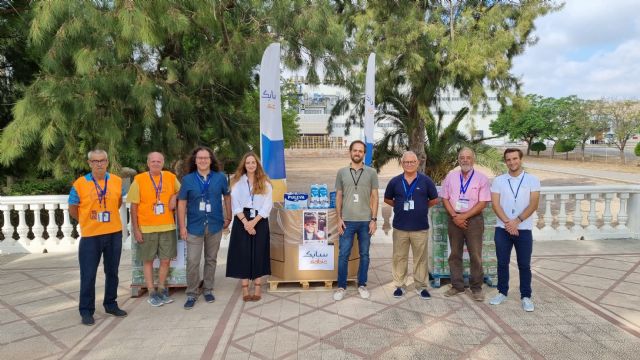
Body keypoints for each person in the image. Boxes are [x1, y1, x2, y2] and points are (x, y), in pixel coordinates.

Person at [68, 149, 128, 326]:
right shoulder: (80, 184)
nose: (99, 164)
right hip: (91, 236)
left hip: (113, 233)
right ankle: (86, 310)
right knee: (88, 274)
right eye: (95, 161)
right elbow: (73, 207)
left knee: (112, 272)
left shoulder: (117, 181)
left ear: (107, 162)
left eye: (102, 160)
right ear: (89, 163)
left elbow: (118, 202)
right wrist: (85, 220)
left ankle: (111, 304)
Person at [177, 146, 232, 310]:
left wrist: (228, 216)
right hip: (194, 226)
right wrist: (182, 226)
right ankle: (192, 293)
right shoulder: (187, 179)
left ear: (211, 160)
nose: (202, 160)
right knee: (192, 261)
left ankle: (208, 289)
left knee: (211, 259)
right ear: (195, 160)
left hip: (215, 224)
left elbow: (227, 197)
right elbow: (181, 203)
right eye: (199, 158)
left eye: (206, 158)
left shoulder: (220, 178)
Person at [126, 152, 181, 307]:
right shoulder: (139, 179)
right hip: (146, 228)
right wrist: (136, 229)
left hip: (167, 226)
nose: (156, 163)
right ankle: (151, 290)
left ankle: (162, 288)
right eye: (153, 161)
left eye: (159, 161)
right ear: (148, 163)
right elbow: (134, 206)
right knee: (148, 260)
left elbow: (182, 191)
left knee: (165, 259)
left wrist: (174, 197)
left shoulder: (170, 177)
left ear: (163, 162)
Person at [489, 148, 540, 312]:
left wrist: (517, 221)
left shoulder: (532, 180)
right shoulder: (498, 181)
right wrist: (508, 223)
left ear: (520, 159)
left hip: (523, 229)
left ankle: (526, 296)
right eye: (508, 159)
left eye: (515, 159)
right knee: (502, 263)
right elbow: (495, 204)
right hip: (502, 228)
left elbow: (533, 204)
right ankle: (502, 292)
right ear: (505, 162)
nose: (512, 162)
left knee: (524, 264)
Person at [383, 151, 439, 300]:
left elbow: (434, 200)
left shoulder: (426, 181)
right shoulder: (395, 182)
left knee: (420, 259)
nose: (409, 164)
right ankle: (400, 285)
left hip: (420, 228)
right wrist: (400, 205)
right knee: (399, 257)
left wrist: (421, 206)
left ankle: (421, 287)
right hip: (400, 227)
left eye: (412, 162)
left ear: (417, 163)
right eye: (406, 162)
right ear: (402, 164)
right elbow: (388, 199)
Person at [441, 147, 491, 301]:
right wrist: (456, 216)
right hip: (454, 218)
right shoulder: (451, 177)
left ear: (473, 160)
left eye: (468, 157)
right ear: (458, 160)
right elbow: (445, 198)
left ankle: (476, 288)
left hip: (474, 220)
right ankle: (457, 286)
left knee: (475, 255)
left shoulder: (482, 178)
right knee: (455, 254)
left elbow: (483, 203)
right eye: (462, 157)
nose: (465, 160)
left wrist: (464, 217)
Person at [333, 140, 379, 301]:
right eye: (355, 150)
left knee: (364, 254)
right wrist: (338, 219)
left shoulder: (371, 173)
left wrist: (374, 219)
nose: (357, 153)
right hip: (347, 222)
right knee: (343, 255)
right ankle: (341, 287)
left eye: (360, 151)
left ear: (364, 154)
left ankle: (362, 284)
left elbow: (375, 196)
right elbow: (338, 196)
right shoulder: (342, 172)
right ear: (350, 152)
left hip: (365, 221)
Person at [226, 152, 273, 302]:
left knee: (259, 252)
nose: (251, 165)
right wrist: (246, 223)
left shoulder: (265, 182)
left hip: (260, 219)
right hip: (242, 219)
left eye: (253, 162)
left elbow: (267, 204)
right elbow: (235, 204)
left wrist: (254, 222)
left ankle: (258, 285)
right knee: (243, 253)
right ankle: (245, 287)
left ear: (257, 164)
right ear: (244, 165)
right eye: (248, 163)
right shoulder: (237, 181)